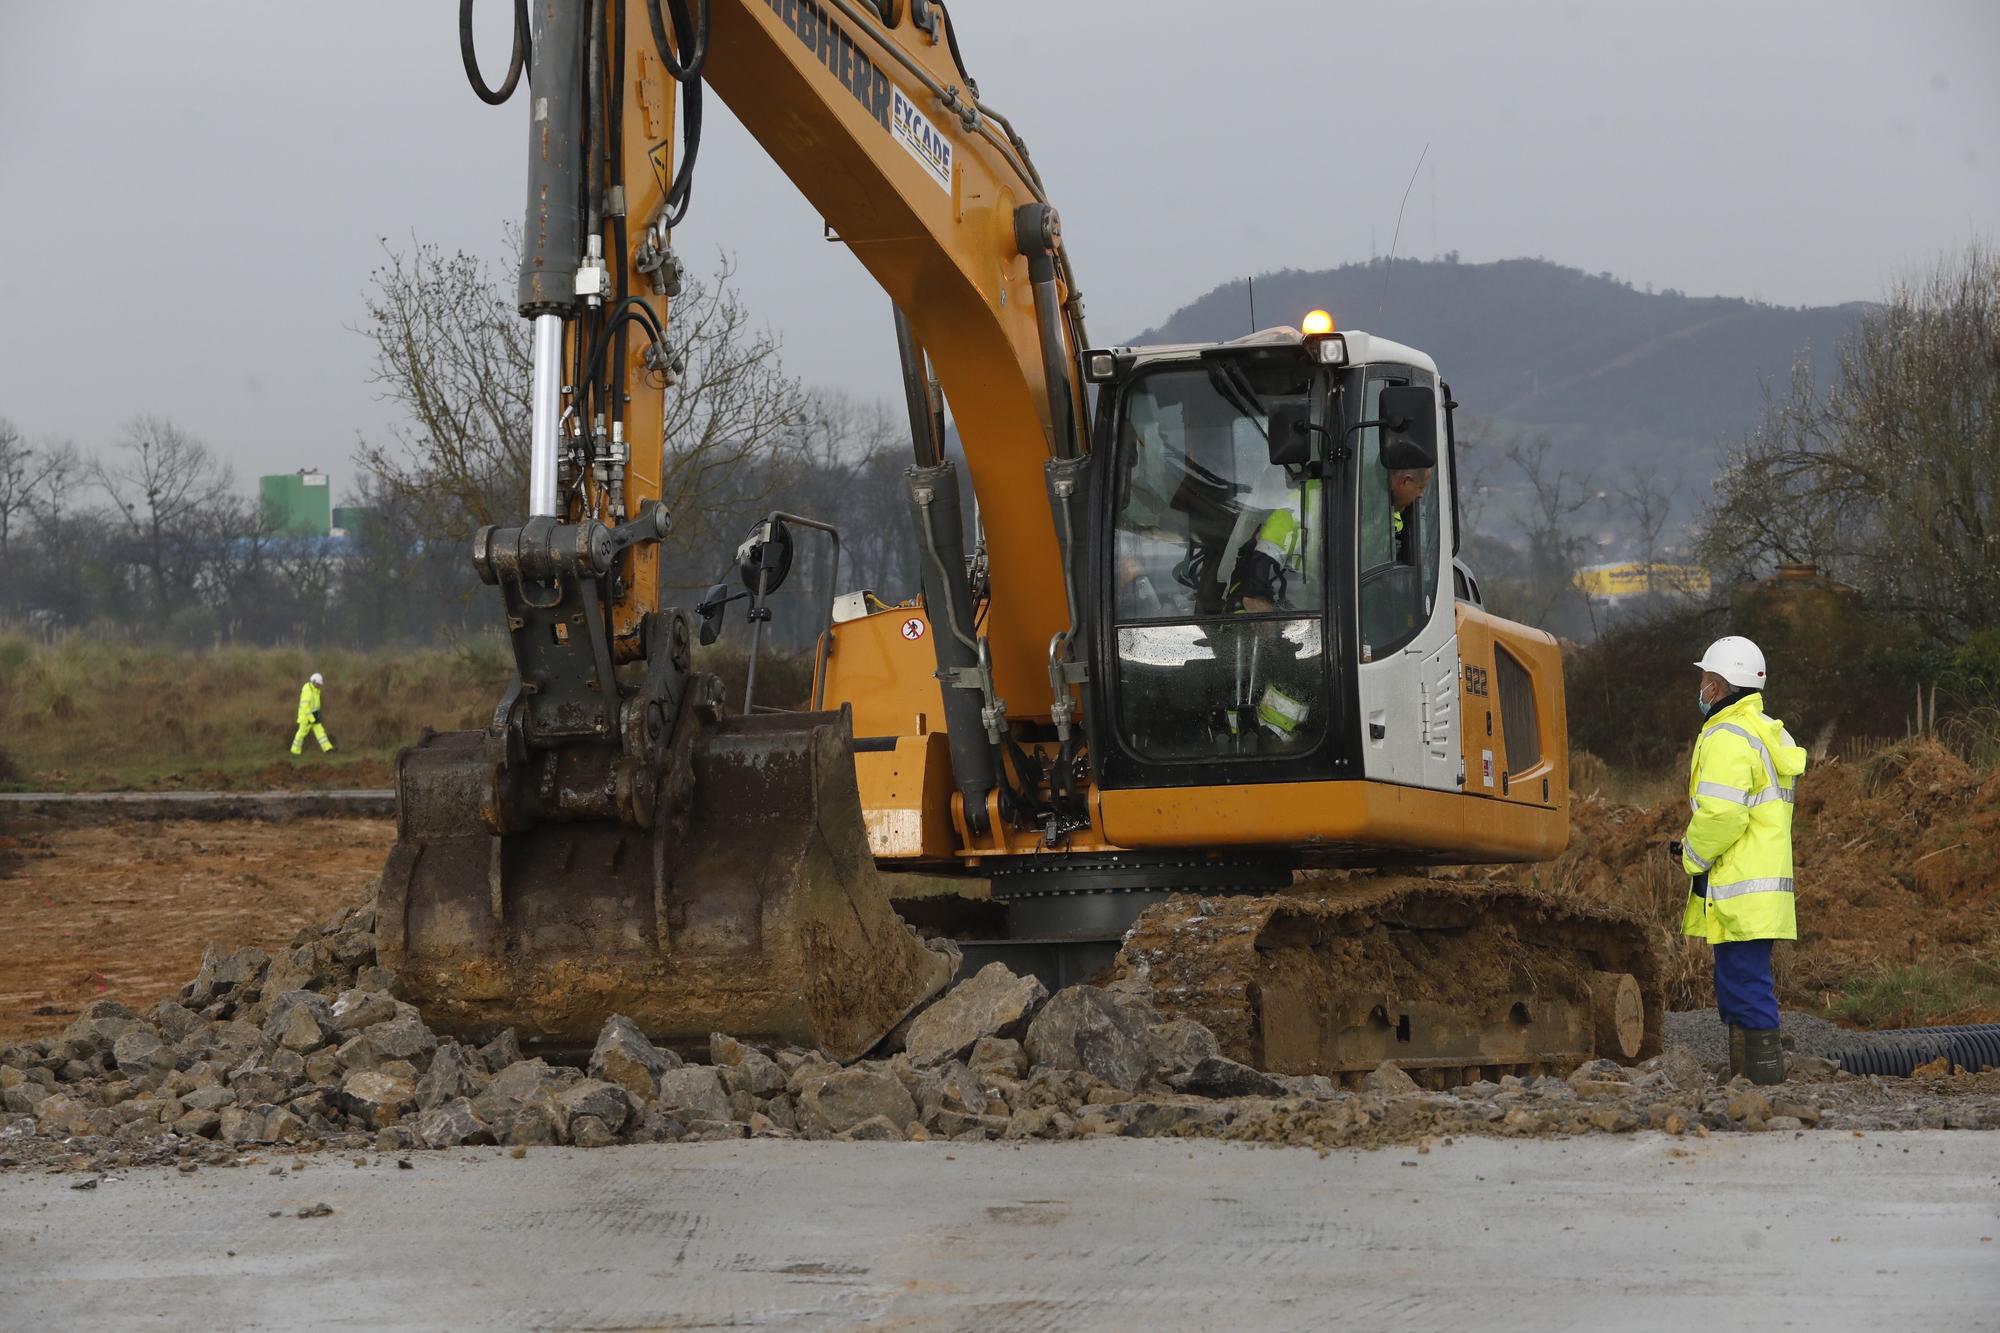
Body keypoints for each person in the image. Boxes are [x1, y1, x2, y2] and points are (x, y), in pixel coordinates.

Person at [1669, 635, 1805, 1085]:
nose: (1701, 688)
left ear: (1718, 685)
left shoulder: (1726, 737)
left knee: (1745, 988)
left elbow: (1724, 814)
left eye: (1706, 679)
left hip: (1740, 887)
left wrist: (1691, 856)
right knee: (1738, 987)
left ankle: (1762, 1086)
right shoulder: (1765, 731)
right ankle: (1744, 1080)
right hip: (1758, 888)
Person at [291, 671, 335, 757]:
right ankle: (295, 751)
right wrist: (311, 718)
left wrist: (317, 715)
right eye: (318, 684)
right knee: (301, 734)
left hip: (314, 716)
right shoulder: (307, 689)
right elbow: (305, 706)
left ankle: (328, 749)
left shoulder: (316, 690)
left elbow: (315, 705)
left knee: (321, 732)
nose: (320, 685)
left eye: (320, 684)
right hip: (306, 717)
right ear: (314, 682)